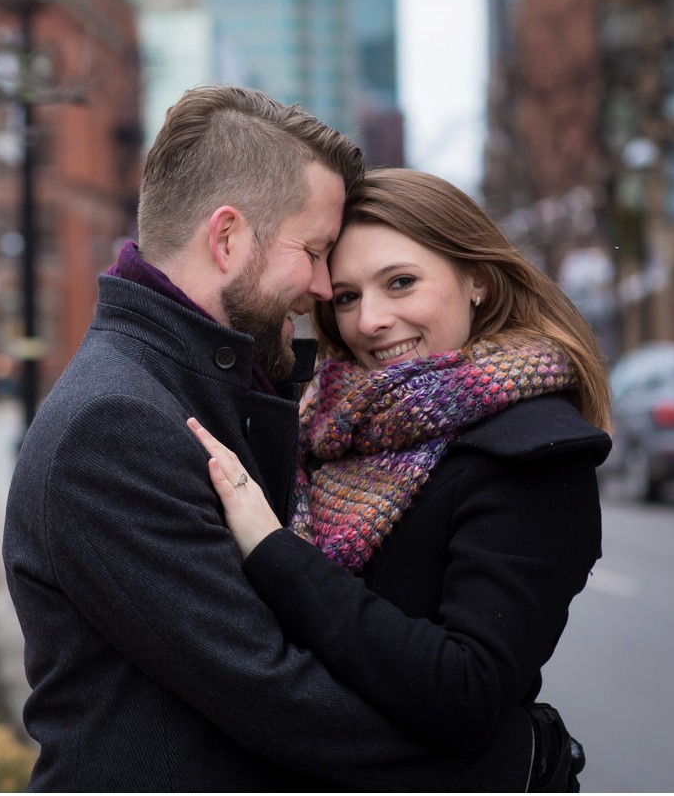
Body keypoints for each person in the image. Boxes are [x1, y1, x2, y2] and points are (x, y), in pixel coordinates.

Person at [3, 85, 541, 790]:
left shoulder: (208, 385)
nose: (323, 286)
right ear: (227, 237)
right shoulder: (115, 425)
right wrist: (515, 761)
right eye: (315, 251)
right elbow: (273, 689)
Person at [189, 167, 607, 791]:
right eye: (350, 296)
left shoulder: (536, 453)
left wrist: (276, 552)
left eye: (401, 283)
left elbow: (466, 693)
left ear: (478, 283)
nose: (371, 321)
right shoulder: (324, 429)